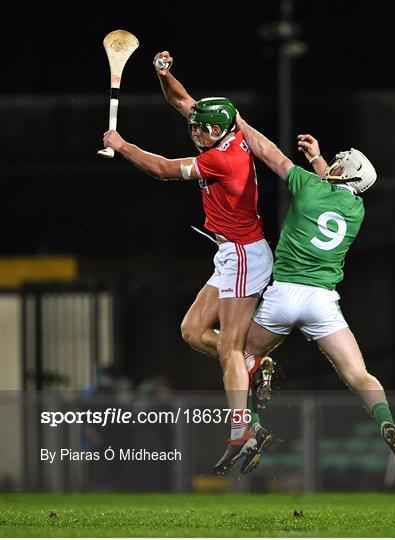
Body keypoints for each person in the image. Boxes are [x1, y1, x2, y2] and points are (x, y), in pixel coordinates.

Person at [102, 52, 273, 475]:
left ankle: (243, 431)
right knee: (193, 331)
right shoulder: (227, 131)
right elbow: (183, 103)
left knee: (230, 349)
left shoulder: (223, 158)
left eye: (202, 128)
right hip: (227, 253)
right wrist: (165, 74)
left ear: (221, 130)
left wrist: (122, 146)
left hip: (244, 254)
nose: (195, 131)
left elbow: (161, 169)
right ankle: (256, 363)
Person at [235, 116, 395, 475]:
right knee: (360, 376)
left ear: (343, 170)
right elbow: (335, 184)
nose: (331, 163)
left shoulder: (307, 186)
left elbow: (269, 153)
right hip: (322, 302)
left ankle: (253, 426)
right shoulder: (356, 209)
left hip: (283, 295)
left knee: (239, 356)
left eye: (337, 161)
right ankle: (385, 421)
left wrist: (240, 123)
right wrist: (318, 159)